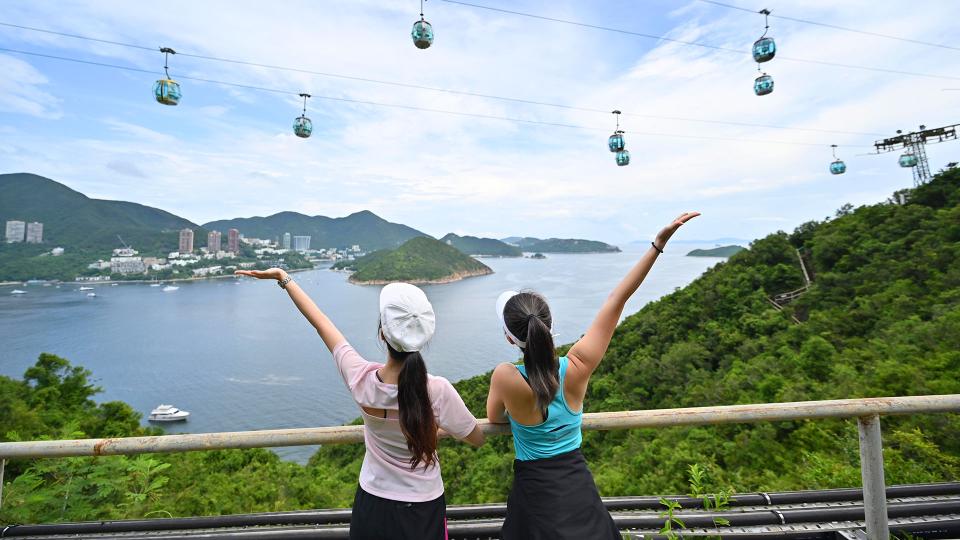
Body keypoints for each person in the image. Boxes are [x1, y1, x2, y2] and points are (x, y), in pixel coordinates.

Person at [486, 212, 700, 539]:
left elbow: (493, 417)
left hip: (534, 494)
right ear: (549, 325)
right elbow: (618, 299)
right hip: (577, 488)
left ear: (509, 339)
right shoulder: (577, 366)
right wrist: (658, 244)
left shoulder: (505, 377)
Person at [236, 269, 485, 540]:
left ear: (382, 334)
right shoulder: (437, 390)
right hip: (423, 506)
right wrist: (432, 429)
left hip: (372, 503)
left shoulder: (361, 378)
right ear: (424, 339)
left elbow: (321, 323)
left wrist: (284, 278)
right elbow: (476, 437)